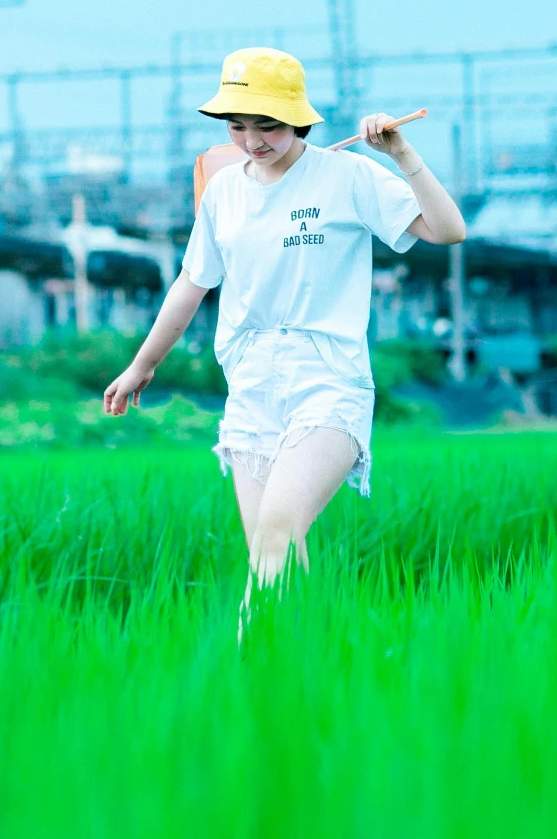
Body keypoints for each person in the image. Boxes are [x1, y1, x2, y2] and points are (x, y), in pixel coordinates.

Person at [102, 47, 467, 589]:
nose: (253, 141)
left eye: (268, 125)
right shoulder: (224, 190)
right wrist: (142, 364)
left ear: (298, 118)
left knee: (278, 526)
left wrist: (402, 155)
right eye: (238, 126)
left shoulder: (346, 175)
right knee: (271, 556)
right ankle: (279, 665)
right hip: (249, 383)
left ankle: (246, 656)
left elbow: (448, 230)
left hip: (327, 378)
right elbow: (191, 282)